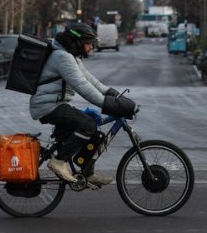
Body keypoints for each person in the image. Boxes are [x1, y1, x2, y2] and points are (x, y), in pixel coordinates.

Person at [29, 23, 135, 185]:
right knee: (88, 125)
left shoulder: (71, 57)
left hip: (57, 104)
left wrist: (111, 93)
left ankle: (87, 173)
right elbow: (83, 87)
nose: (92, 47)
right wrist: (110, 104)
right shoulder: (62, 57)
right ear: (78, 42)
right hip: (47, 106)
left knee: (97, 135)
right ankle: (59, 161)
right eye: (89, 43)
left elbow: (90, 80)